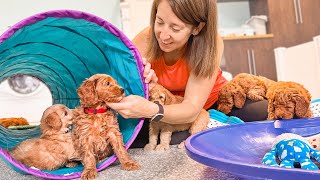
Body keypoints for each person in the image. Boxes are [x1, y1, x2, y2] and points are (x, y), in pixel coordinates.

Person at [107, 0, 268, 148]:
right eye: (159, 22)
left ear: (197, 28)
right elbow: (116, 85)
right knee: (139, 139)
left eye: (175, 28)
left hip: (208, 104)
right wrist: (143, 85)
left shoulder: (211, 44)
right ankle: (212, 128)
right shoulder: (145, 39)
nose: (163, 35)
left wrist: (150, 109)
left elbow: (191, 108)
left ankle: (213, 121)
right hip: (167, 107)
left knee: (263, 111)